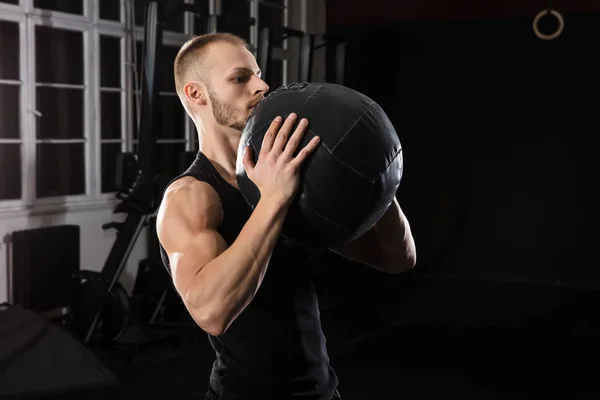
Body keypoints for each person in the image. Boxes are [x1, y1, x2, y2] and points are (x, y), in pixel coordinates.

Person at [155, 32, 417, 400]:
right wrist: (273, 198)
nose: (262, 85)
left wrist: (371, 163)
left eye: (258, 74)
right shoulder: (191, 196)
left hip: (321, 391)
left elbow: (397, 258)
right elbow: (211, 312)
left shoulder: (298, 177)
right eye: (240, 77)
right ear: (195, 94)